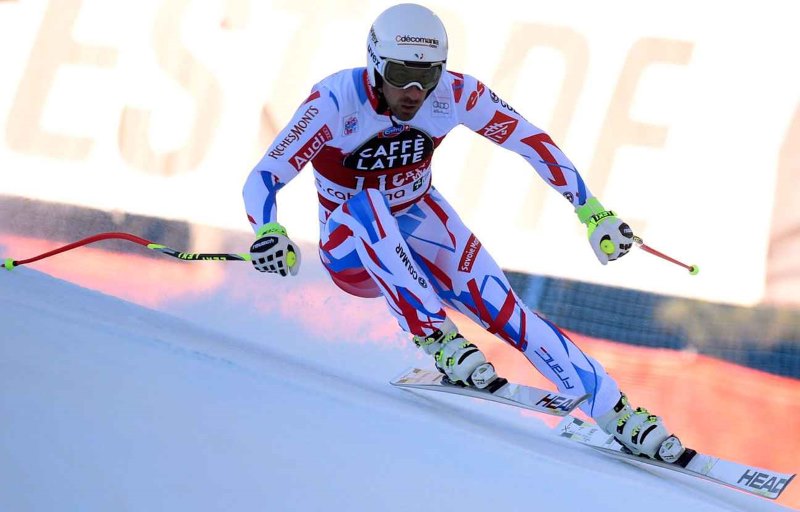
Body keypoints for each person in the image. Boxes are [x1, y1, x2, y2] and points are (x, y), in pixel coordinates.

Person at [242, 3, 685, 463]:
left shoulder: (453, 94)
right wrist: (268, 229)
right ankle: (435, 336)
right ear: (374, 64)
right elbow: (264, 177)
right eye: (400, 74)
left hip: (415, 217)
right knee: (367, 202)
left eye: (427, 75)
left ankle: (615, 411)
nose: (414, 91)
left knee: (503, 304)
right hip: (353, 250)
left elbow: (531, 141)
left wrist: (592, 212)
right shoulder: (334, 102)